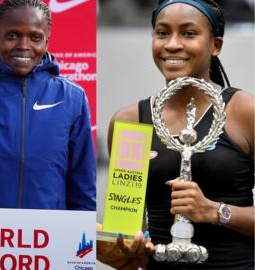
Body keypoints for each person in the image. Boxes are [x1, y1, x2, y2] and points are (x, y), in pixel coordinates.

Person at [99, 0, 254, 269]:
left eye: (188, 33)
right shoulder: (130, 121)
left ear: (215, 45)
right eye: (162, 32)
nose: (172, 44)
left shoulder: (244, 112)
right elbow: (125, 229)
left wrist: (216, 212)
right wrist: (126, 244)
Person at [0, 0, 96, 210]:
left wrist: (80, 235)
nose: (23, 45)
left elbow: (83, 184)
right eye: (12, 35)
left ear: (47, 42)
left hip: (48, 235)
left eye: (35, 37)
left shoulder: (71, 97)